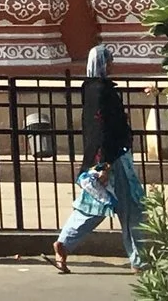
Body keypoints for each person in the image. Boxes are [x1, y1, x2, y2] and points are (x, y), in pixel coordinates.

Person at [51, 46, 141, 272]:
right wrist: (105, 164)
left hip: (100, 156)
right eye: (109, 61)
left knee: (93, 205)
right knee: (130, 208)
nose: (112, 65)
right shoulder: (102, 91)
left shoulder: (91, 89)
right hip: (113, 157)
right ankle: (139, 260)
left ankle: (65, 242)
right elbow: (103, 127)